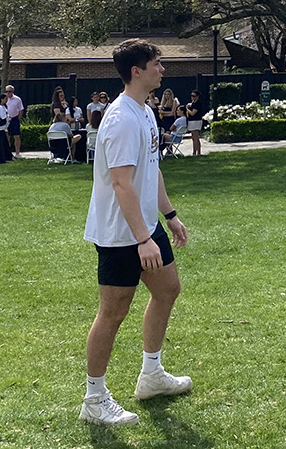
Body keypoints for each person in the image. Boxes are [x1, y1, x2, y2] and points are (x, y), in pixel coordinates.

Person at [81, 39, 191, 426]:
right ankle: (94, 399)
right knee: (112, 313)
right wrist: (143, 238)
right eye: (157, 63)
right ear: (136, 71)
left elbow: (152, 170)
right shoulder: (122, 118)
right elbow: (122, 185)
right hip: (120, 234)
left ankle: (151, 375)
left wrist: (170, 215)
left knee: (168, 289)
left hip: (145, 226)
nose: (163, 69)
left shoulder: (144, 111)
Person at [183, 90, 207, 156]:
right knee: (194, 137)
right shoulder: (193, 103)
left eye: (194, 96)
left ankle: (197, 152)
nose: (192, 97)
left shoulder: (197, 104)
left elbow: (193, 113)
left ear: (197, 96)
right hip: (192, 121)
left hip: (196, 121)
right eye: (191, 96)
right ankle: (196, 151)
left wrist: (187, 109)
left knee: (196, 137)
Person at [5, 86, 25, 158]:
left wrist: (18, 119)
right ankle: (8, 153)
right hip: (6, 119)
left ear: (12, 91)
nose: (8, 93)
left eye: (9, 91)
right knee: (7, 136)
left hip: (14, 118)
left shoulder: (17, 99)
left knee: (16, 136)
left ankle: (17, 153)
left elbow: (21, 109)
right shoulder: (5, 99)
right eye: (6, 91)